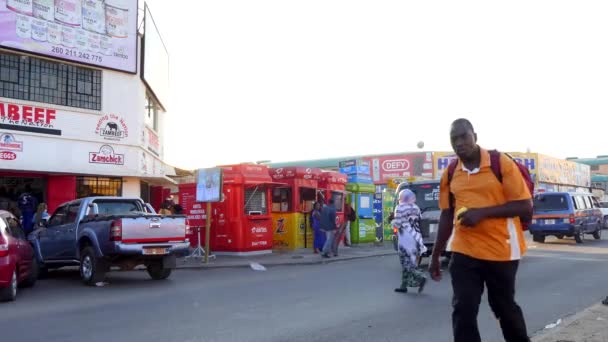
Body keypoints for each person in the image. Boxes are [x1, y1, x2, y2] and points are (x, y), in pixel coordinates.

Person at [429, 118, 532, 342]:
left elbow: (525, 205)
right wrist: (436, 255)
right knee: (463, 309)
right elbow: (447, 214)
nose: (459, 143)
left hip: (501, 249)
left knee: (504, 308)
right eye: (453, 139)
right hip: (464, 249)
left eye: (463, 136)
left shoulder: (499, 163)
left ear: (475, 136)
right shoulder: (450, 172)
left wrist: (481, 213)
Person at [392, 189, 427, 293]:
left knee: (405, 261)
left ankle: (421, 277)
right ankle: (403, 285)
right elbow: (419, 220)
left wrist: (392, 222)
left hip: (405, 238)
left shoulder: (399, 207)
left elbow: (397, 223)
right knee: (410, 260)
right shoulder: (416, 207)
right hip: (416, 237)